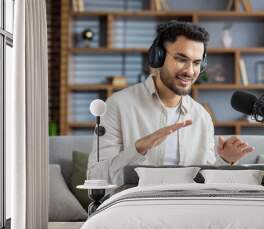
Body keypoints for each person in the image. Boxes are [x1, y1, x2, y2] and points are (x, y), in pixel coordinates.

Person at [88, 21, 255, 185]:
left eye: (196, 63)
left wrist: (225, 159)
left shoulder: (201, 117)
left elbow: (203, 183)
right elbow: (96, 179)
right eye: (181, 59)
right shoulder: (117, 106)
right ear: (158, 57)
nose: (190, 71)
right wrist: (138, 149)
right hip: (135, 209)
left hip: (186, 209)